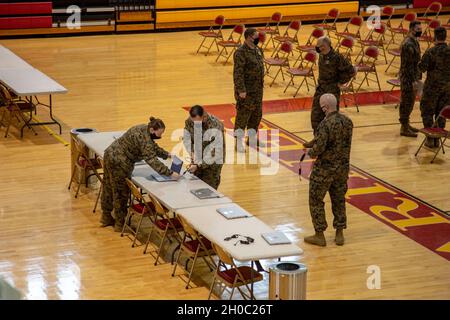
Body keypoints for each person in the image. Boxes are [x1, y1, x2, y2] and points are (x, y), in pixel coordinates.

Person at [100, 117, 177, 231]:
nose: (160, 136)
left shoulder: (142, 128)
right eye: (159, 133)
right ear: (152, 130)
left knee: (107, 186)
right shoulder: (144, 139)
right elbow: (151, 160)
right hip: (120, 162)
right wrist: (170, 173)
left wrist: (167, 155)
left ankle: (105, 217)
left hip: (110, 154)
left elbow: (152, 147)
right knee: (120, 193)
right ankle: (120, 224)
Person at [303, 94, 353, 247]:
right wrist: (313, 142)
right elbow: (338, 142)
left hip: (324, 170)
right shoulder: (348, 122)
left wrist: (309, 152)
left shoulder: (325, 125)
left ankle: (319, 234)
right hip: (342, 169)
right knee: (338, 199)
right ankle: (339, 233)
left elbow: (319, 148)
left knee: (316, 199)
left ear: (324, 107)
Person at [304, 36, 355, 147]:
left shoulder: (337, 57)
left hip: (332, 90)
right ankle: (318, 140)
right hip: (321, 88)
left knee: (331, 118)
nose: (317, 48)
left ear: (324, 46)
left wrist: (341, 82)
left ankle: (331, 143)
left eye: (319, 46)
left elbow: (351, 71)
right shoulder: (321, 55)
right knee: (315, 116)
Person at [233, 27, 265, 151]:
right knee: (243, 117)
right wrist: (241, 90)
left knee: (256, 115)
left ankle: (251, 139)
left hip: (258, 90)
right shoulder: (240, 52)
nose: (258, 39)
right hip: (246, 92)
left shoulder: (258, 50)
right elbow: (238, 73)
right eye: (256, 37)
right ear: (248, 37)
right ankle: (238, 142)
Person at [418, 26, 450, 148]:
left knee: (426, 112)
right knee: (441, 113)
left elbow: (422, 68)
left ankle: (430, 138)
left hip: (432, 87)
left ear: (434, 36)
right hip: (447, 88)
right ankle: (438, 139)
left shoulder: (431, 52)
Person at [183, 105, 225, 189]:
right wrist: (192, 153)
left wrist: (198, 165)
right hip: (197, 160)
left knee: (208, 191)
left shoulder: (216, 126)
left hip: (212, 165)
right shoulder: (191, 120)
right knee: (194, 189)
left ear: (204, 117)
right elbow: (187, 138)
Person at [398, 20, 423, 138]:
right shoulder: (408, 44)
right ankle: (404, 127)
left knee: (410, 102)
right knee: (406, 103)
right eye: (418, 29)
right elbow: (408, 65)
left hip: (413, 77)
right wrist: (413, 81)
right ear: (411, 29)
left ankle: (406, 124)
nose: (420, 31)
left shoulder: (414, 41)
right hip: (408, 78)